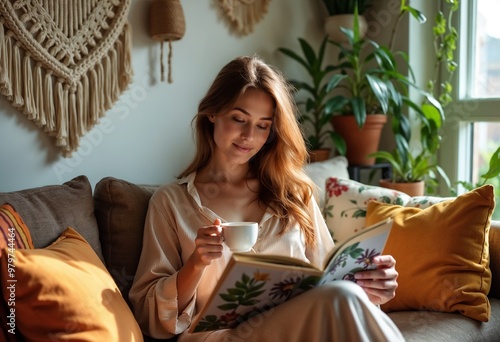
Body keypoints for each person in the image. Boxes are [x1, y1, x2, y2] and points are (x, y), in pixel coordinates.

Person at [129, 55, 404, 341]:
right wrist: (195, 264)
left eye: (263, 125)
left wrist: (372, 286)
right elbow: (149, 315)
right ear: (212, 113)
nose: (249, 135)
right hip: (219, 337)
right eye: (239, 119)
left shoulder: (293, 194)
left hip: (298, 328)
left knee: (344, 293)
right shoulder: (171, 202)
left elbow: (330, 279)